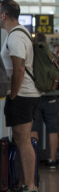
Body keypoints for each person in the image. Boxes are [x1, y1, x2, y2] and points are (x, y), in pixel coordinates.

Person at [0, 0, 41, 192]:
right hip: (26, 95)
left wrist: (13, 95)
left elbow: (19, 69)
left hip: (22, 95)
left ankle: (30, 186)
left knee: (23, 141)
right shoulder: (21, 33)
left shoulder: (15, 37)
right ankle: (24, 184)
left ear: (4, 15)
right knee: (21, 139)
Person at [31, 33, 58, 169]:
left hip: (36, 95)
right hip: (51, 96)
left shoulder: (33, 53)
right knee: (53, 128)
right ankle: (52, 159)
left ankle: (34, 160)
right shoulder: (50, 55)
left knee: (33, 127)